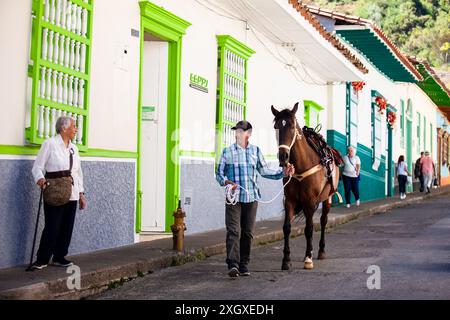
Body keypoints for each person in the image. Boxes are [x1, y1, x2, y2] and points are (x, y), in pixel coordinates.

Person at [216, 120, 294, 278]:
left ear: (248, 134)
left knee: (248, 232)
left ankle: (244, 264)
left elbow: (264, 170)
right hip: (234, 197)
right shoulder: (227, 152)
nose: (237, 133)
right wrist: (225, 181)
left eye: (241, 131)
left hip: (251, 197)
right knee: (233, 230)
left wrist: (283, 172)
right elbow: (219, 173)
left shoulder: (255, 151)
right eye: (236, 131)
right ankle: (233, 264)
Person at [30, 117, 86, 270]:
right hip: (54, 191)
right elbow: (37, 167)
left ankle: (59, 256)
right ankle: (42, 259)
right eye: (74, 126)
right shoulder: (50, 144)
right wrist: (40, 179)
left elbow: (78, 173)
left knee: (67, 227)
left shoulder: (74, 148)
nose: (76, 129)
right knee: (52, 226)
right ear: (63, 128)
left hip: (72, 192)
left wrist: (81, 193)